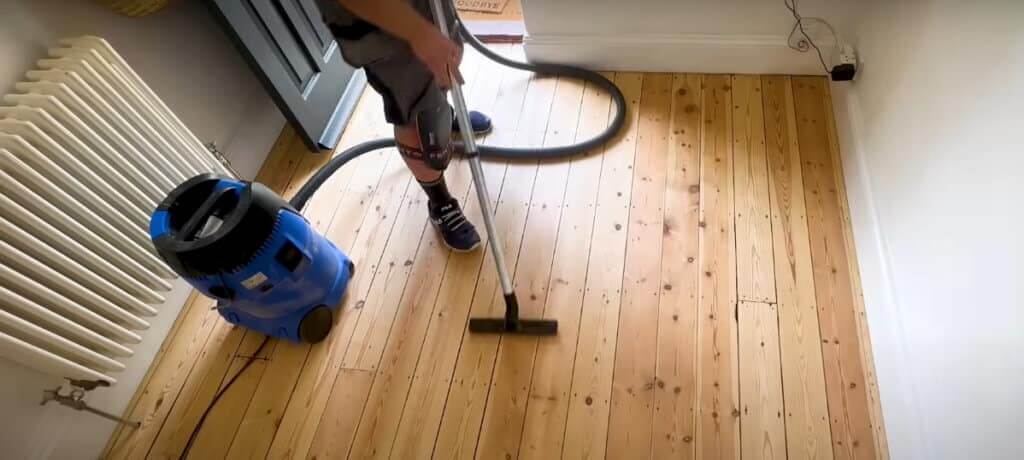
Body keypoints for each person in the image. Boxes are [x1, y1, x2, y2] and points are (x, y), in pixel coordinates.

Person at [316, 0, 490, 252]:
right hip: (378, 17)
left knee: (445, 56)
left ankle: (440, 114)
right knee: (415, 113)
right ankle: (440, 202)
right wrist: (419, 33)